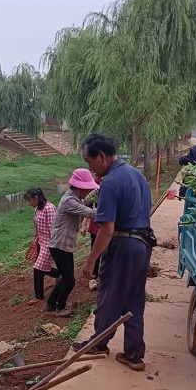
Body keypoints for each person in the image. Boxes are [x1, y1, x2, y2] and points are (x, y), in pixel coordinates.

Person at [74, 133, 155, 371]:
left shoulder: (109, 182)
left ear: (101, 156)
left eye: (89, 162)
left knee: (109, 296)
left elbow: (107, 229)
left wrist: (91, 261)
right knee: (134, 299)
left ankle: (98, 344)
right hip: (142, 245)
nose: (90, 168)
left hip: (123, 245)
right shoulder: (136, 175)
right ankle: (134, 354)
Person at [45, 169, 98, 317]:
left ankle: (50, 303)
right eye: (87, 189)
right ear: (79, 187)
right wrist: (110, 209)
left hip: (62, 245)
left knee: (64, 276)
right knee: (70, 280)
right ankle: (60, 308)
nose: (88, 192)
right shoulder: (69, 201)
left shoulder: (74, 197)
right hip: (59, 245)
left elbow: (86, 202)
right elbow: (89, 212)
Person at [24, 188, 59, 305]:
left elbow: (54, 228)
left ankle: (39, 296)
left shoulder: (49, 209)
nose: (30, 203)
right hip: (40, 241)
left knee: (38, 268)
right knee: (42, 266)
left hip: (49, 243)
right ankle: (60, 275)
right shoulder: (37, 209)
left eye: (30, 200)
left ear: (36, 198)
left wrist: (53, 246)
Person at [80, 173, 102, 291]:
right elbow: (87, 208)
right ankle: (93, 278)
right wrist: (83, 225)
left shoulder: (115, 186)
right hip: (96, 225)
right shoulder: (95, 190)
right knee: (95, 250)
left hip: (111, 226)